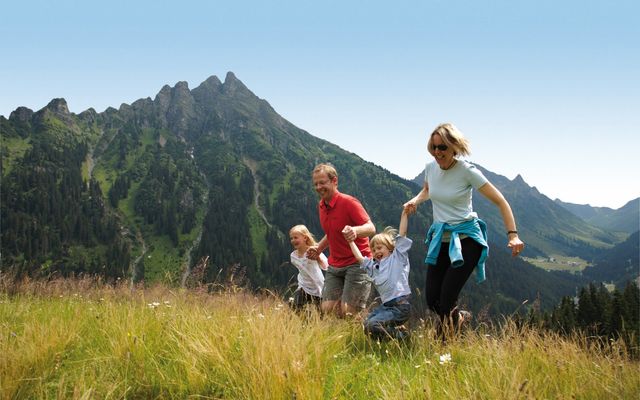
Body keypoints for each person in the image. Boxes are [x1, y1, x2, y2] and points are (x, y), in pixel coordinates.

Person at [403, 123, 525, 337]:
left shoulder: (467, 171)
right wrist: (415, 201)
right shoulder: (430, 168)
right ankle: (459, 318)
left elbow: (501, 201)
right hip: (441, 240)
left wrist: (513, 235)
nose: (437, 153)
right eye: (433, 147)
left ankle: (443, 348)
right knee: (433, 300)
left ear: (454, 148)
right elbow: (427, 190)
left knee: (447, 298)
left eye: (442, 148)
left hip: (467, 241)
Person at [306, 163, 376, 317]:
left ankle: (374, 328)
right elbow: (332, 232)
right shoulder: (322, 206)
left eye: (322, 182)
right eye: (316, 184)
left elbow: (371, 228)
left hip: (358, 263)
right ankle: (348, 331)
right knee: (327, 308)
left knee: (349, 312)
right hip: (335, 264)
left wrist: (355, 230)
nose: (318, 187)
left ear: (334, 181)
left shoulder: (349, 202)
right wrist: (318, 249)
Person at [346, 209, 412, 340]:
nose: (376, 251)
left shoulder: (397, 258)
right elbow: (360, 258)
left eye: (380, 248)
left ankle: (402, 337)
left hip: (400, 307)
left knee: (372, 325)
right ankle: (397, 333)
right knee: (366, 325)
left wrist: (404, 214)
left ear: (390, 248)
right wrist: (350, 241)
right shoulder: (374, 267)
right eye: (373, 249)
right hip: (386, 307)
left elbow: (402, 234)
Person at [288, 224, 328, 311]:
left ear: (305, 238)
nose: (293, 240)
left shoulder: (314, 251)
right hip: (303, 287)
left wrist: (318, 258)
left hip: (317, 287)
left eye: (296, 237)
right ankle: (307, 321)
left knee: (321, 313)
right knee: (295, 306)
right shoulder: (293, 256)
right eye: (291, 238)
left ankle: (315, 323)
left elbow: (326, 266)